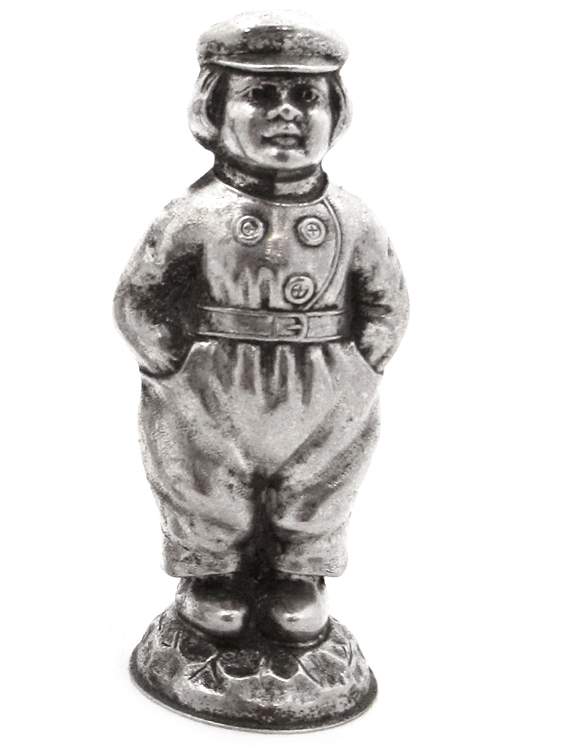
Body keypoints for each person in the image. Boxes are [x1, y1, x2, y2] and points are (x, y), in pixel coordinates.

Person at [114, 11, 409, 644]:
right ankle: (211, 574)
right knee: (202, 480)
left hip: (326, 387)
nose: (287, 113)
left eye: (307, 96)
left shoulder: (353, 219)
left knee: (321, 482)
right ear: (214, 109)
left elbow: (387, 298)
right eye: (261, 95)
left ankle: (297, 573)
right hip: (212, 386)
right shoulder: (194, 215)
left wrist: (362, 364)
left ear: (337, 111)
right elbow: (140, 296)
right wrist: (171, 365)